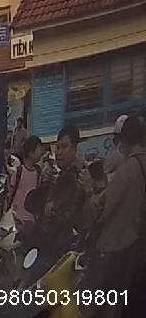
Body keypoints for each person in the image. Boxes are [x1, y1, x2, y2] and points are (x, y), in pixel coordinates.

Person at [92, 114, 146, 317]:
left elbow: (102, 209)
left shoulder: (128, 170)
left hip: (117, 251)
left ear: (124, 140)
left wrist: (91, 191)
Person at [37, 125, 95, 261]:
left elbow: (84, 215)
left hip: (70, 249)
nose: (59, 152)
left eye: (64, 147)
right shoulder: (62, 175)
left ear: (74, 148)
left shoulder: (82, 176)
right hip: (54, 244)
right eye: (57, 147)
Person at [7, 136, 44, 239]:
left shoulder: (38, 172)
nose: (41, 153)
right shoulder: (19, 172)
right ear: (31, 153)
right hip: (15, 219)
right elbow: (10, 194)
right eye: (39, 149)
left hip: (30, 221)